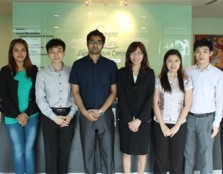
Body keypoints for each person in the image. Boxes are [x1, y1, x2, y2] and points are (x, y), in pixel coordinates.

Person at [69, 29, 117, 174]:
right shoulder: (78, 65)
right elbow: (75, 91)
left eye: (98, 42)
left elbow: (114, 92)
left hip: (105, 115)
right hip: (86, 115)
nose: (95, 44)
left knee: (108, 154)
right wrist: (84, 112)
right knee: (88, 154)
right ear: (87, 44)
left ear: (103, 45)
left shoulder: (110, 65)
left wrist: (101, 110)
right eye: (92, 41)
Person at [35, 38, 77, 174]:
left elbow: (75, 96)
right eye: (52, 51)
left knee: (65, 153)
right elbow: (40, 99)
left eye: (59, 50)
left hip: (68, 116)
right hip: (49, 116)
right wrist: (54, 118)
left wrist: (69, 116)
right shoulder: (41, 74)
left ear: (64, 53)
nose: (56, 54)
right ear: (48, 54)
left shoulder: (72, 71)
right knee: (51, 153)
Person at [0, 38, 39, 174]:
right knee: (18, 150)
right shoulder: (5, 71)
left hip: (32, 116)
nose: (20, 53)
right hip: (12, 117)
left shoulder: (33, 70)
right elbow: (4, 97)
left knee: (29, 150)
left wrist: (27, 114)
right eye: (16, 50)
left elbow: (37, 95)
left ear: (27, 52)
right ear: (11, 52)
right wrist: (18, 115)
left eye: (23, 50)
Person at [184, 38, 223, 174]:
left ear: (210, 53)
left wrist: (216, 123)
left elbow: (220, 100)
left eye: (205, 51)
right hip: (189, 118)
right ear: (194, 54)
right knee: (188, 153)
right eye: (198, 51)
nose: (201, 55)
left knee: (206, 155)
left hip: (207, 119)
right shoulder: (187, 72)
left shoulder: (218, 74)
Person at [117, 41, 155, 174]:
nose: (136, 56)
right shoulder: (121, 73)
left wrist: (139, 119)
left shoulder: (149, 73)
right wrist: (129, 120)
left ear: (144, 55)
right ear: (129, 55)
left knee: (141, 154)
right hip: (125, 120)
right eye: (133, 53)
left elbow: (150, 98)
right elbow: (121, 97)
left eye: (139, 53)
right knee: (126, 153)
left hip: (143, 121)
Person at [153, 49, 193, 174]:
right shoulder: (159, 79)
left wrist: (177, 126)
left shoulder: (186, 79)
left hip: (179, 124)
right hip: (160, 124)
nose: (173, 64)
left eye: (176, 61)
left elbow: (188, 104)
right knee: (161, 160)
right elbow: (155, 103)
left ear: (180, 62)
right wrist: (163, 126)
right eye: (170, 61)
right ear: (165, 63)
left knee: (177, 160)